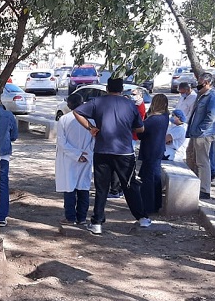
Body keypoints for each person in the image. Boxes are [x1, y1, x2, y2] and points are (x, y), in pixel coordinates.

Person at [73, 78, 150, 234]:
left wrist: (91, 128)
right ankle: (142, 218)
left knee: (102, 188)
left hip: (102, 150)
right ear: (122, 90)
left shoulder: (97, 102)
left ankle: (97, 223)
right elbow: (140, 129)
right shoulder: (130, 105)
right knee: (129, 185)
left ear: (107, 88)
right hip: (124, 152)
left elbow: (77, 111)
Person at [55, 94, 94, 225]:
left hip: (69, 159)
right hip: (86, 158)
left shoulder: (64, 120)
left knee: (70, 187)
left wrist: (76, 155)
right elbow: (95, 140)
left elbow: (61, 141)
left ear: (69, 104)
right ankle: (82, 218)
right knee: (83, 187)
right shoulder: (91, 121)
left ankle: (70, 217)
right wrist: (86, 154)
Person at [186, 72, 215, 200]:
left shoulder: (213, 97)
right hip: (197, 133)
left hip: (203, 134)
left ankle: (204, 190)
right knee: (196, 160)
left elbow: (212, 116)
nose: (198, 85)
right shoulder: (202, 95)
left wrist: (201, 129)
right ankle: (196, 186)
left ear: (206, 83)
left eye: (200, 83)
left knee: (203, 162)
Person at [137, 94, 169, 215]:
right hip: (158, 149)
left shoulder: (153, 120)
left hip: (150, 150)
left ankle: (147, 206)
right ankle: (156, 203)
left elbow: (141, 133)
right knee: (155, 178)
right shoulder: (165, 116)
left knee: (148, 179)